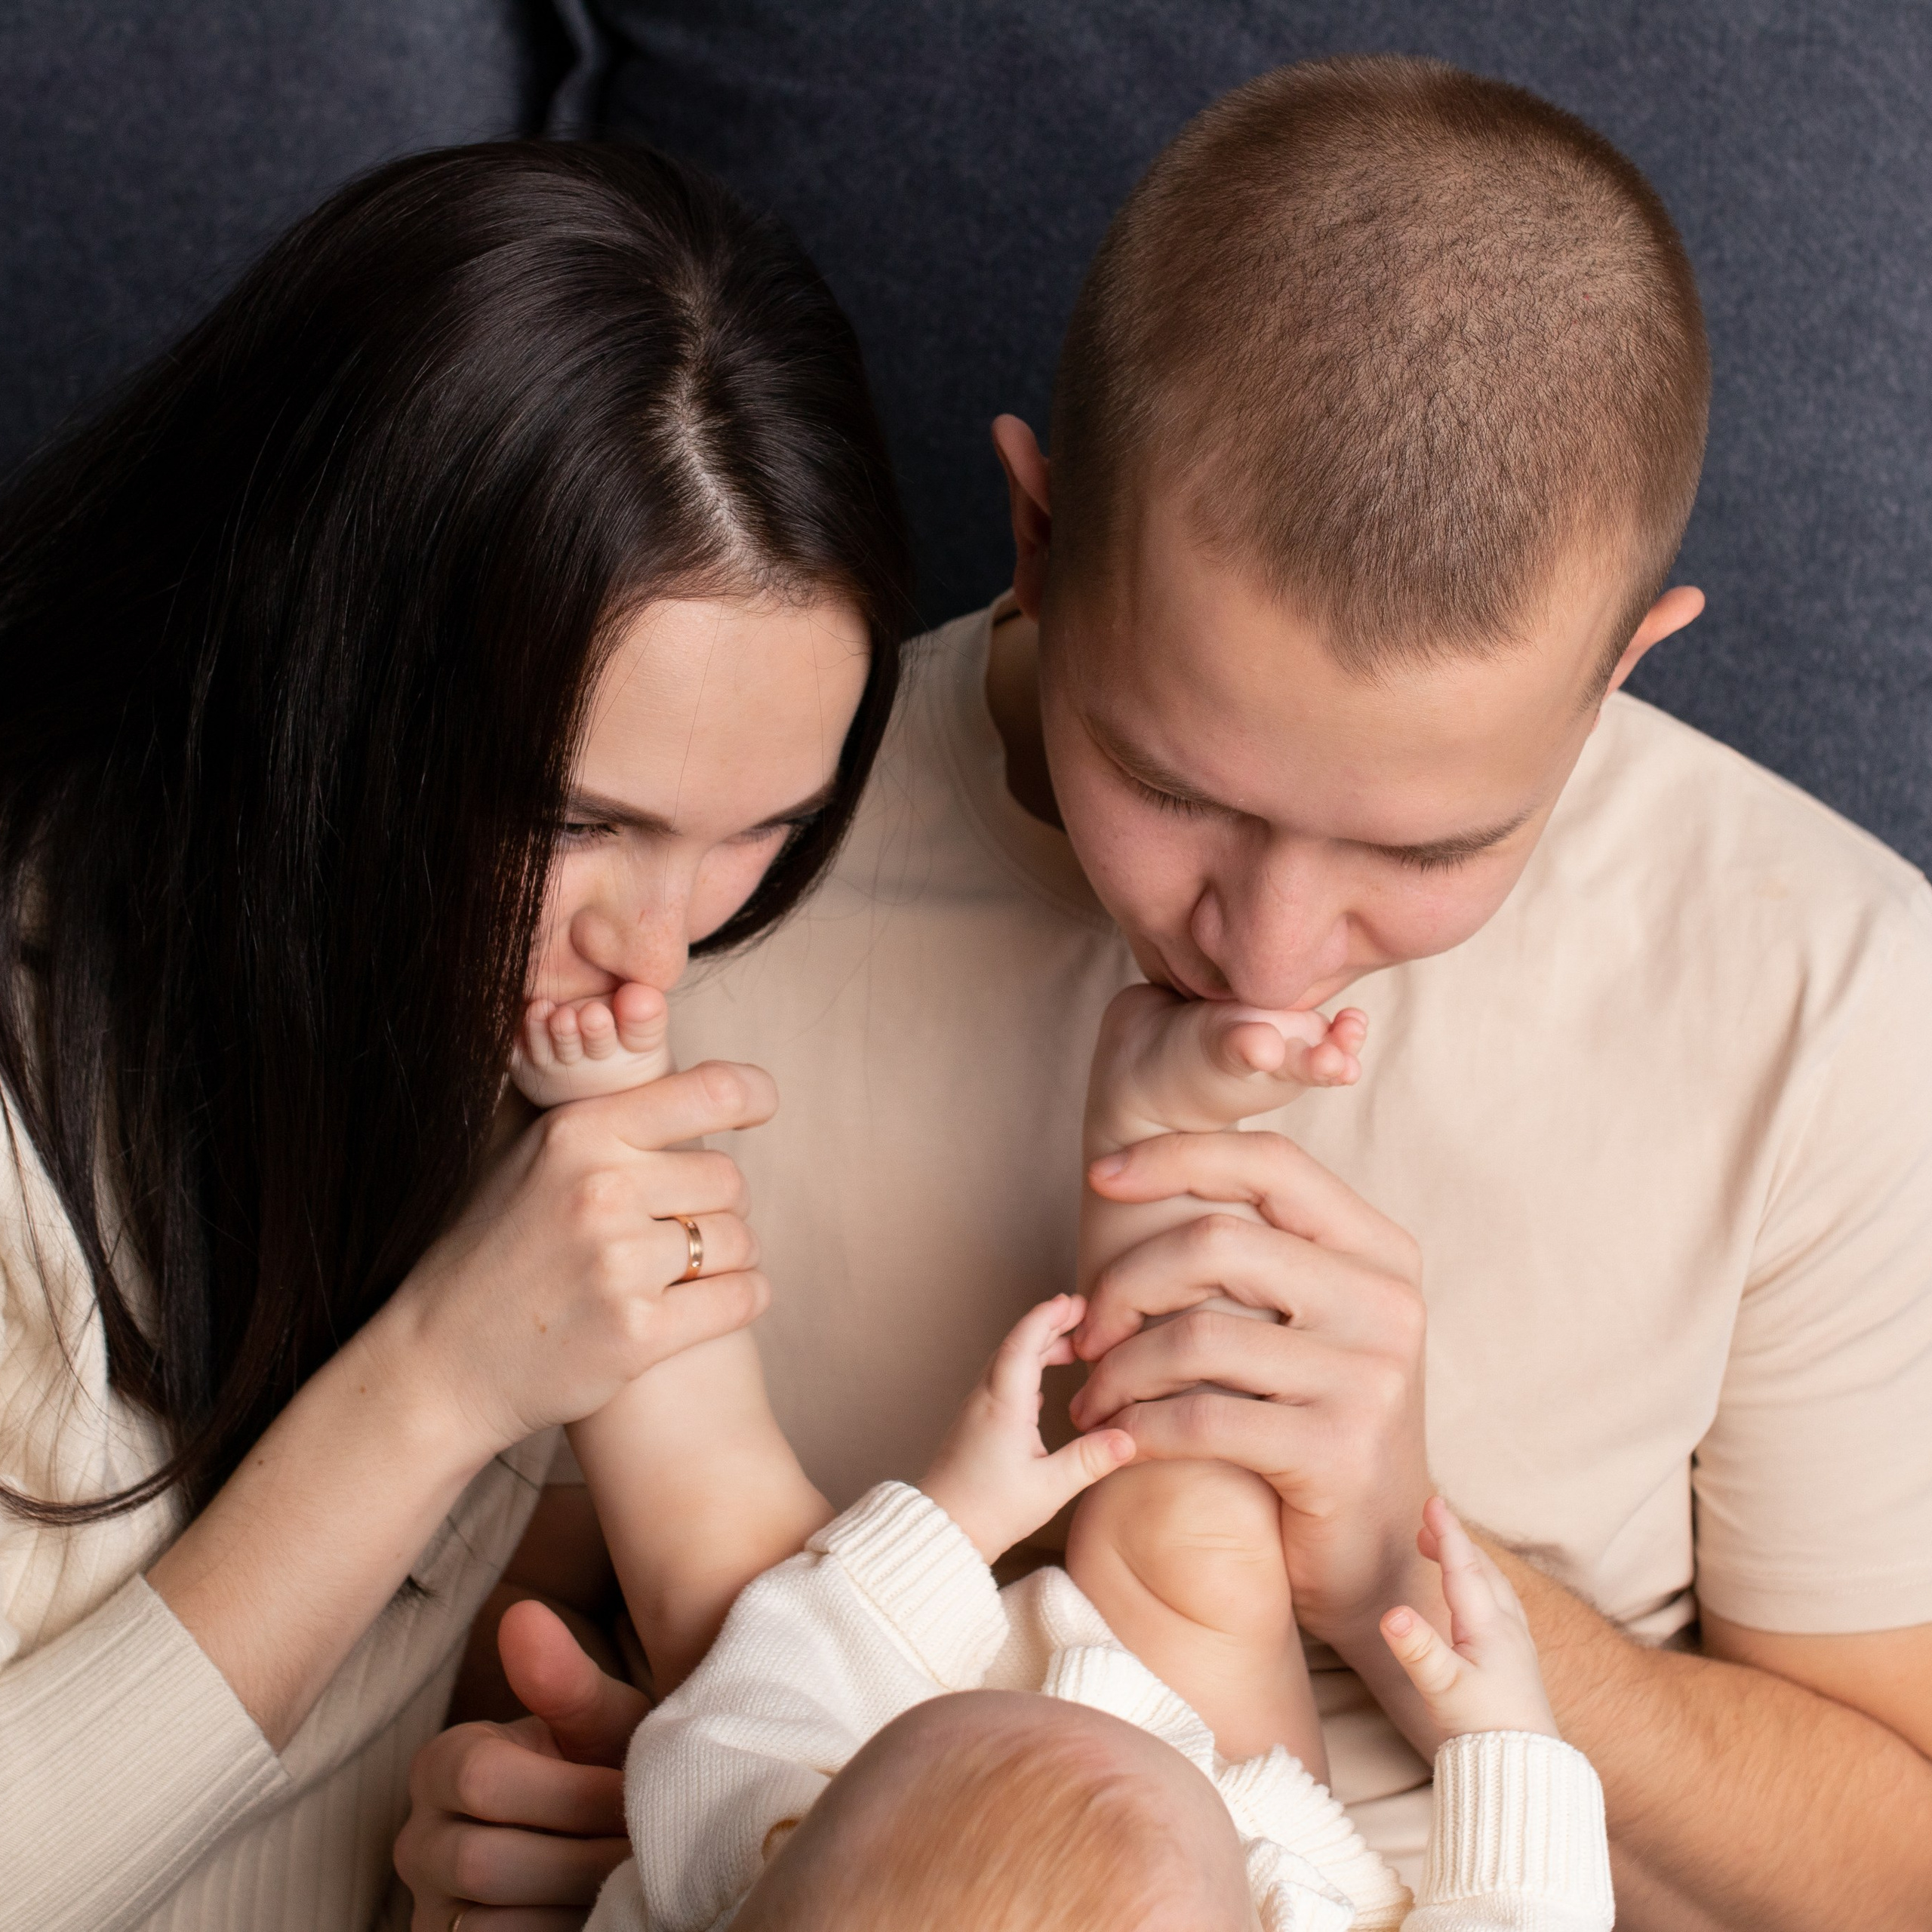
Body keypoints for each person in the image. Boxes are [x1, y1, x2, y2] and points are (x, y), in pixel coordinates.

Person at [402, 54, 1932, 1932]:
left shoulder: (1829, 985)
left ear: (1622, 663)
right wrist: (587, 1792)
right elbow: (506, 1618)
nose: (1267, 956)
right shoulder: (694, 872)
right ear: (1036, 537)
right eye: (1180, 791)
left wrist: (1402, 1564)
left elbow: (1896, 1858)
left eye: (1427, 851)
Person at [0, 139, 912, 1932]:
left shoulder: (550, 1025)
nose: (654, 952)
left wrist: (612, 1801)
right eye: (579, 822)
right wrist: (439, 1379)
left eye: (760, 830)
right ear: (316, 684)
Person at [588, 1295, 1611, 1932]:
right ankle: (1166, 1149)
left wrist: (957, 1519)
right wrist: (1506, 1740)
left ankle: (617, 1175)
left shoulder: (724, 1878)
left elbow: (755, 1706)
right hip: (1230, 1798)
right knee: (1189, 1530)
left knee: (709, 1555)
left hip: (888, 1759)